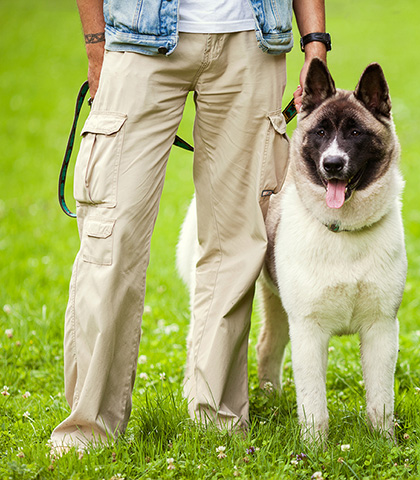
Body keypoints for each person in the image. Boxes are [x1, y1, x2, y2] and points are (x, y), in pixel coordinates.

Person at [50, 0, 330, 453]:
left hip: (253, 42)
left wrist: (315, 40)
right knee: (110, 234)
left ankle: (217, 421)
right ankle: (88, 427)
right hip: (138, 41)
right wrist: (96, 46)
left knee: (237, 240)